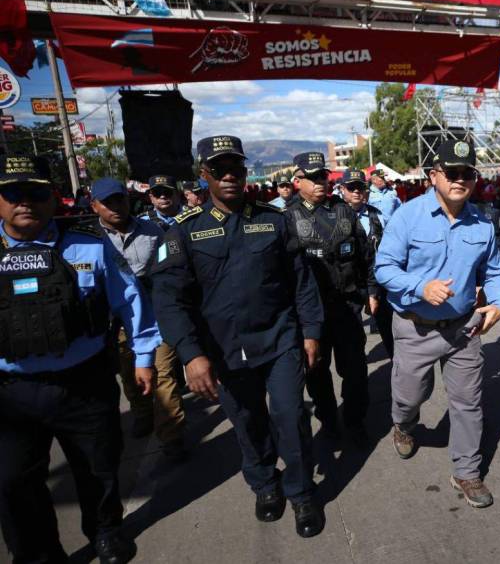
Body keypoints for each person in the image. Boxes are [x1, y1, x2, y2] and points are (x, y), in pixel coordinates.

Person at [151, 136, 325, 538]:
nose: (229, 175)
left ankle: (301, 491)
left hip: (279, 340)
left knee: (290, 415)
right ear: (203, 174)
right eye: (219, 169)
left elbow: (301, 282)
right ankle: (265, 485)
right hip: (224, 351)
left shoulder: (274, 220)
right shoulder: (183, 233)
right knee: (248, 423)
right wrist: (192, 356)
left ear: (246, 173)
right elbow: (169, 300)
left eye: (237, 168)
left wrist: (312, 332)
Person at [0, 155, 160, 563]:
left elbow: (129, 298)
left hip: (84, 382)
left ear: (53, 198)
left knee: (98, 468)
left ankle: (106, 530)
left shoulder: (87, 243)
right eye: (13, 194)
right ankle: (37, 554)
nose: (26, 203)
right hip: (11, 392)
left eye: (36, 193)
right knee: (13, 482)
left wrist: (144, 356)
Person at [375, 139, 500, 509]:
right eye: (452, 172)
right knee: (409, 396)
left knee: (468, 402)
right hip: (414, 327)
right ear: (434, 176)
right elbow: (383, 268)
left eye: (468, 173)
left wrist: (499, 302)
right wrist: (420, 286)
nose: (460, 180)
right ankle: (403, 425)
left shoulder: (482, 224)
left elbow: (494, 270)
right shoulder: (407, 215)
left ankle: (466, 472)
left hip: (464, 329)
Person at [90, 178, 187, 461]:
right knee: (129, 373)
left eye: (120, 199)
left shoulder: (153, 231)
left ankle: (172, 434)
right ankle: (142, 413)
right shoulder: (90, 238)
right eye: (107, 203)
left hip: (155, 313)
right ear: (94, 205)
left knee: (163, 373)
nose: (116, 207)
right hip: (115, 319)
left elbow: (169, 268)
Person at [284, 152, 376, 446]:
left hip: (347, 307)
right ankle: (329, 424)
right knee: (317, 375)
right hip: (312, 314)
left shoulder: (344, 211)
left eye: (323, 176)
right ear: (298, 181)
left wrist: (371, 291)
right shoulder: (286, 219)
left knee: (355, 371)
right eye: (313, 178)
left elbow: (366, 255)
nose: (321, 182)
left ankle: (355, 421)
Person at [341, 169, 394, 358]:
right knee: (352, 336)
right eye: (351, 187)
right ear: (342, 189)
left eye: (360, 187)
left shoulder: (378, 216)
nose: (356, 191)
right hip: (349, 283)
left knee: (389, 329)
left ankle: (397, 368)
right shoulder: (334, 216)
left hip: (378, 280)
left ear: (366, 190)